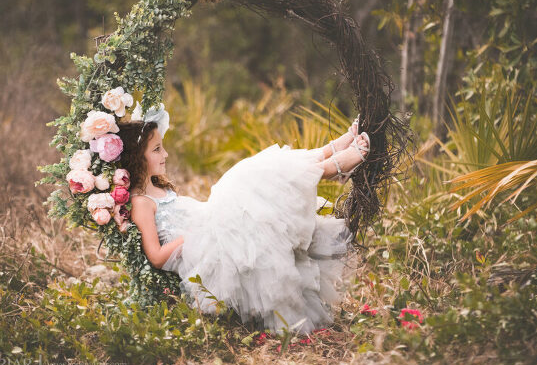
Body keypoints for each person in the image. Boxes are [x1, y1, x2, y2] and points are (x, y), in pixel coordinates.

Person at [115, 113, 370, 334]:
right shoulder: (141, 203)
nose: (165, 154)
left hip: (211, 229)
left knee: (255, 173)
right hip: (207, 250)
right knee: (248, 177)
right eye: (157, 149)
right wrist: (193, 235)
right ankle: (334, 164)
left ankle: (333, 153)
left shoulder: (157, 188)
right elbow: (157, 257)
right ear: (138, 157)